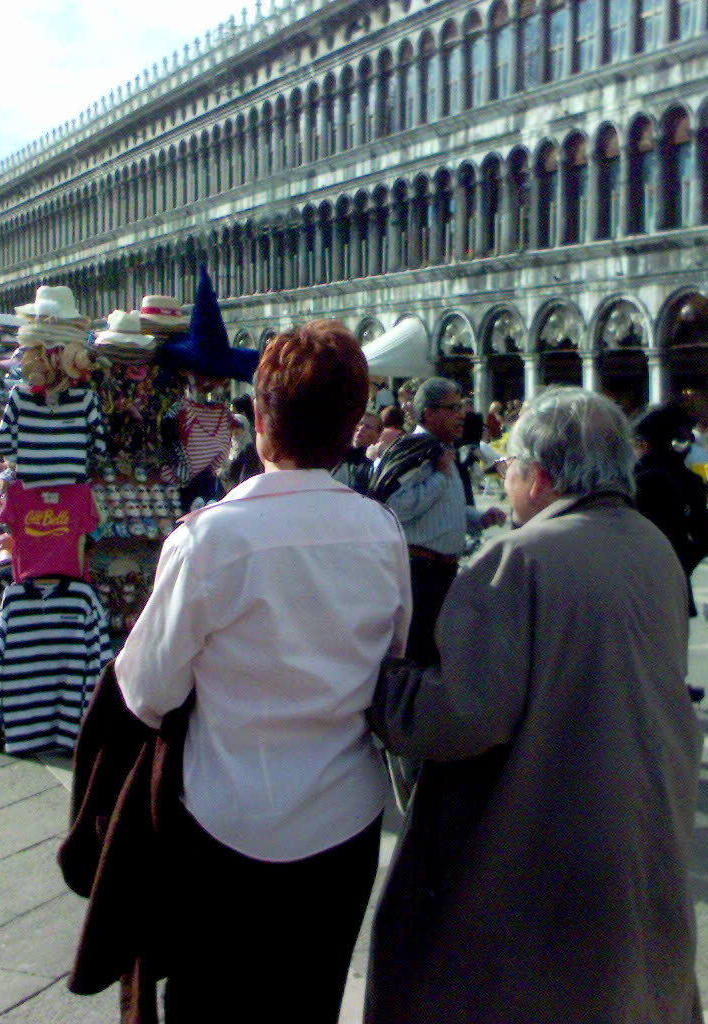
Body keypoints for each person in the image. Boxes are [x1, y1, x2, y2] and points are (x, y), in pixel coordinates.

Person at [366, 387, 703, 1024]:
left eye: (510, 470)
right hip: (642, 828)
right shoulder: (654, 548)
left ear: (540, 476)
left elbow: (462, 714)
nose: (508, 484)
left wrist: (387, 689)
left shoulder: (519, 559)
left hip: (547, 847)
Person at [115, 320, 411, 1023]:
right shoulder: (383, 532)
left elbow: (146, 690)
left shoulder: (210, 538)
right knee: (308, 1004)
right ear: (350, 429)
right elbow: (392, 665)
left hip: (226, 820)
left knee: (210, 1006)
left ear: (259, 419)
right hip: (344, 821)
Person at [372, 378, 506, 665]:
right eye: (452, 408)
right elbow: (395, 506)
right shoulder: (417, 450)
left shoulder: (442, 451)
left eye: (461, 407)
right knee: (416, 657)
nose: (462, 415)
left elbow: (444, 510)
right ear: (429, 413)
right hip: (418, 574)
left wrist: (479, 518)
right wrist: (439, 477)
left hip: (443, 572)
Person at [633, 404, 708, 618]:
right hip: (675, 588)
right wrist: (680, 563)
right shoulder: (690, 480)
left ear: (644, 444)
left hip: (634, 586)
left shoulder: (630, 480)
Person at [331, 410, 380, 494]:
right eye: (360, 424)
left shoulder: (372, 468)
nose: (361, 429)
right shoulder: (335, 454)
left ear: (377, 436)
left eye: (368, 427)